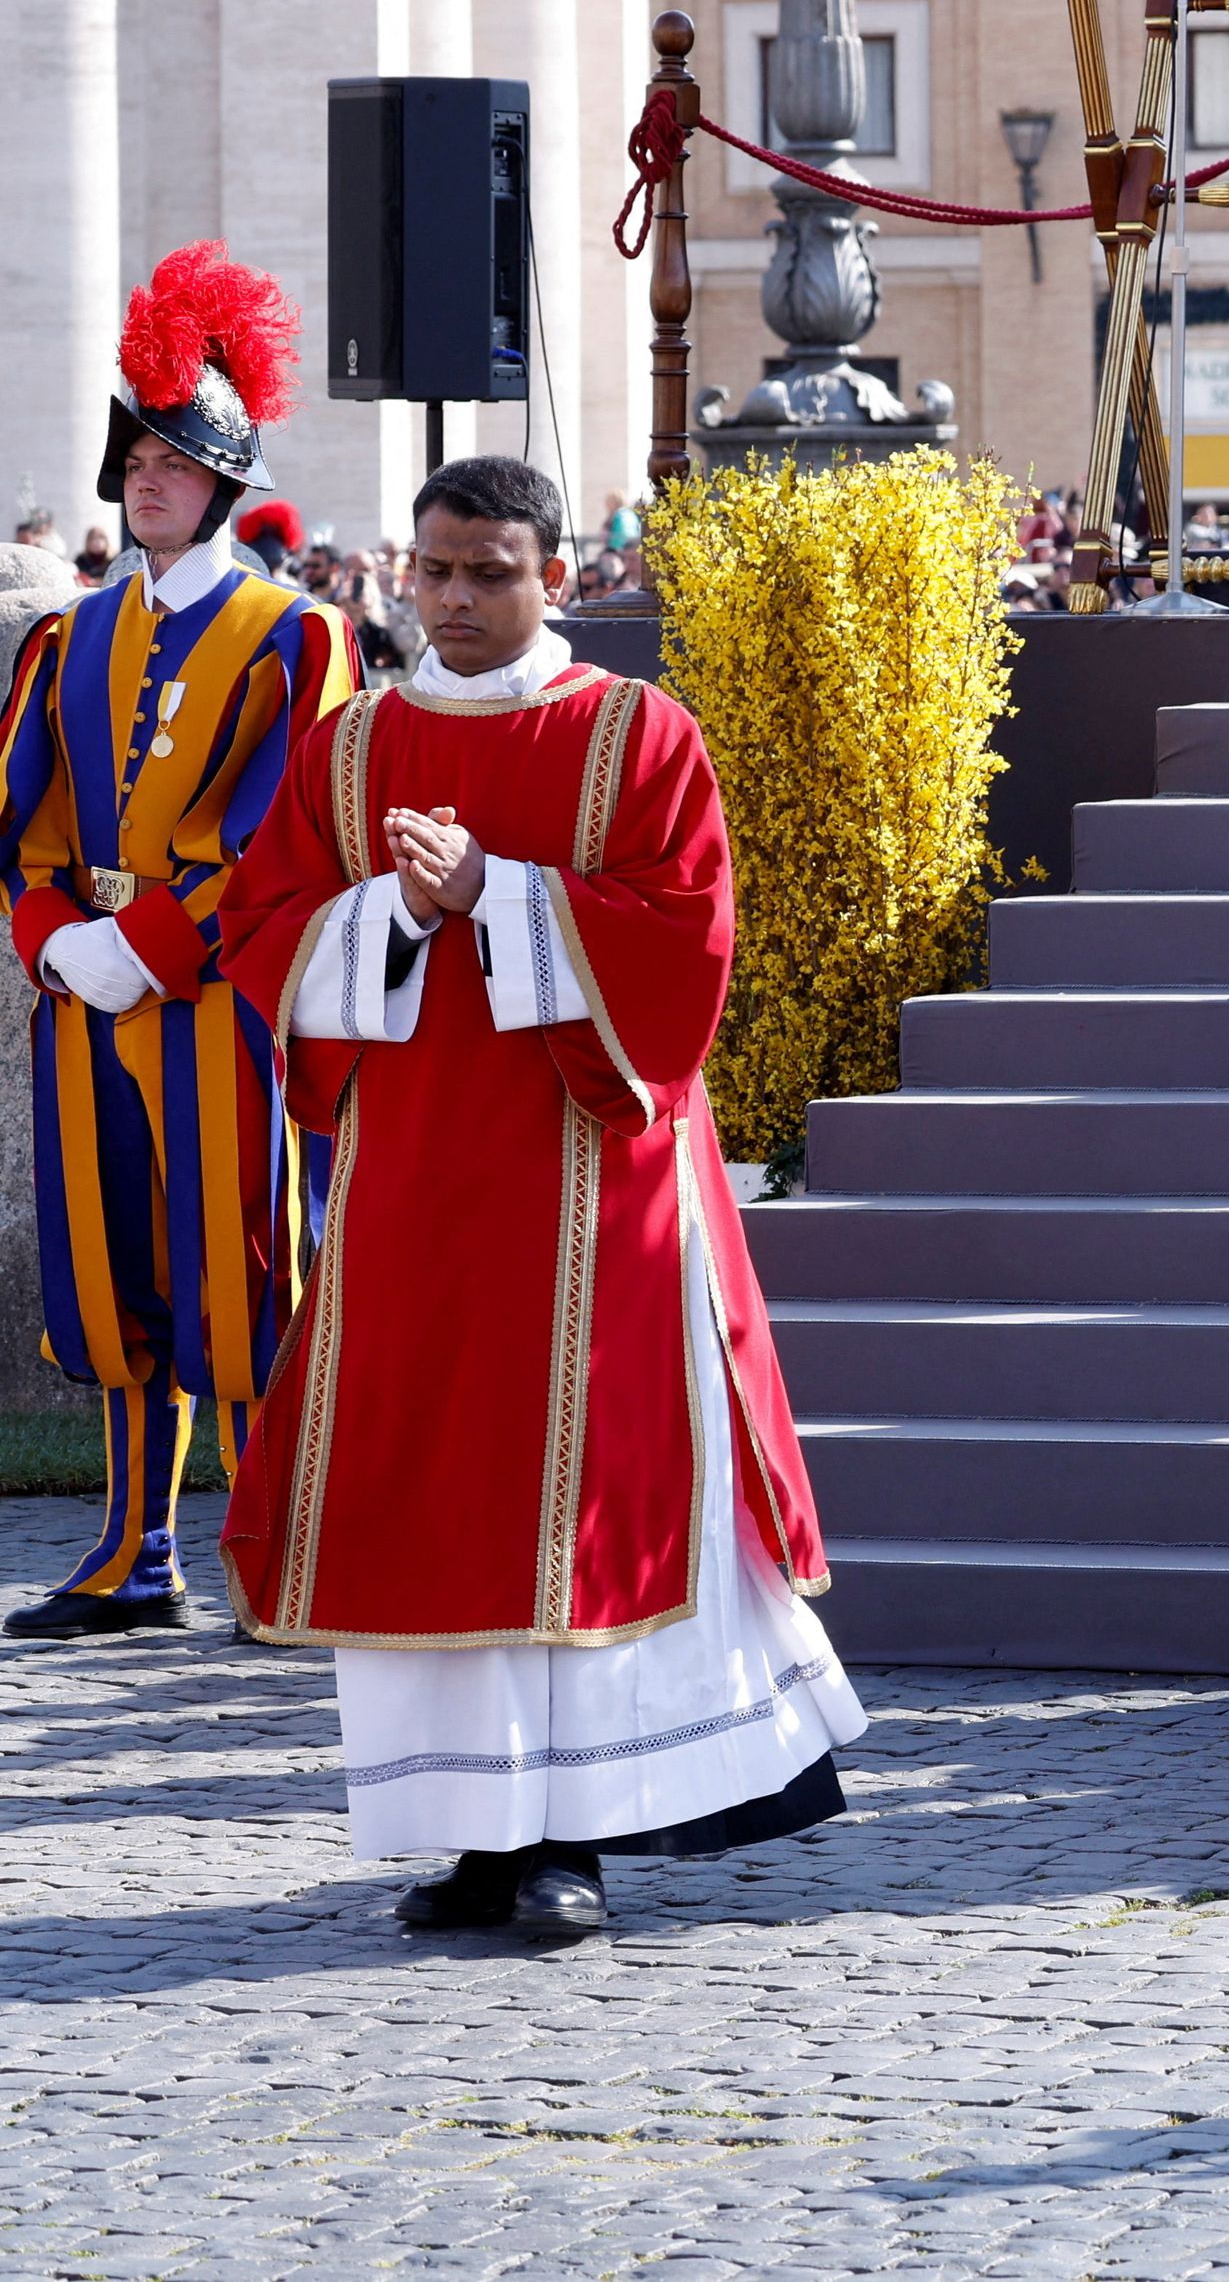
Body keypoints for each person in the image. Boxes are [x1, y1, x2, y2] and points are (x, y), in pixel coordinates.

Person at [218, 455, 862, 1944]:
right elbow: (265, 929)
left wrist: (493, 893)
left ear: (553, 575)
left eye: (488, 571)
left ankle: (573, 1833)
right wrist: (393, 909)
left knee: (575, 1493)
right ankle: (467, 1833)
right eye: (433, 570)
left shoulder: (640, 735)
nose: (451, 598)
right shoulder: (349, 744)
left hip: (596, 1189)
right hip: (408, 1192)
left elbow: (685, 951)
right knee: (427, 1487)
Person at [1, 244, 358, 1638]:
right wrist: (54, 940)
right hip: (82, 989)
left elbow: (293, 834)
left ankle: (277, 1553)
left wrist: (148, 941)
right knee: (110, 1270)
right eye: (135, 454)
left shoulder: (295, 634)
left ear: (223, 475)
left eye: (171, 455)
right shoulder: (67, 638)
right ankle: (131, 1554)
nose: (146, 475)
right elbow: (21, 823)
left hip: (216, 995)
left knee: (242, 1269)